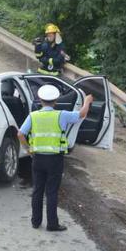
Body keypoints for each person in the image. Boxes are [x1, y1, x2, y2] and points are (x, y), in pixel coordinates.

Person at [17, 84, 94, 231]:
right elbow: (82, 114)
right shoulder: (62, 115)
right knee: (51, 191)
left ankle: (35, 221)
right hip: (55, 160)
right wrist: (87, 101)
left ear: (40, 99)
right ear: (56, 100)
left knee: (37, 190)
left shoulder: (33, 116)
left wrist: (28, 149)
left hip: (38, 158)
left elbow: (20, 134)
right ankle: (52, 224)